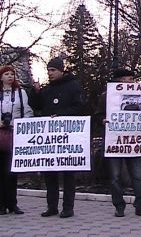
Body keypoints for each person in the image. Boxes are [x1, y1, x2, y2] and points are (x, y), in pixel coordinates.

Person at [31, 57, 85, 218]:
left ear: (62, 70)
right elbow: (37, 107)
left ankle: (68, 208)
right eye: (48, 70)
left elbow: (80, 106)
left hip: (68, 138)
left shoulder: (73, 86)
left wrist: (61, 115)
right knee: (50, 174)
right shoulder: (47, 89)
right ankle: (52, 206)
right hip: (51, 140)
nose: (50, 73)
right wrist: (36, 93)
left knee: (68, 174)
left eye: (53, 70)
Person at [94, 68, 141, 218]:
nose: (128, 82)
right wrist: (102, 120)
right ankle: (119, 206)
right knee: (115, 176)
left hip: (134, 143)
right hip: (115, 141)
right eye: (125, 79)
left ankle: (140, 205)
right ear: (117, 81)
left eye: (130, 79)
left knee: (137, 176)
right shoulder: (106, 96)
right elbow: (97, 114)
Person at [0, 65, 33, 215]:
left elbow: (27, 111)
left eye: (12, 74)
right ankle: (1, 204)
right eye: (6, 74)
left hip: (15, 134)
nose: (10, 76)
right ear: (1, 77)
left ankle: (13, 204)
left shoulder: (21, 93)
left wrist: (22, 125)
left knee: (12, 171)